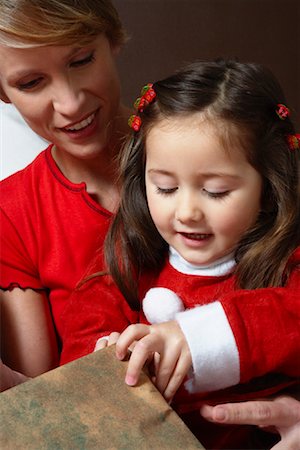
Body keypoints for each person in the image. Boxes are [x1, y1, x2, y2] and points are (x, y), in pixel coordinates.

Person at [0, 1, 298, 444]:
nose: (70, 102)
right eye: (30, 81)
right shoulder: (114, 242)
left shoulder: (275, 228)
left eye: (81, 60)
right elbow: (57, 389)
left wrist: (201, 339)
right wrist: (105, 360)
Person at [60, 60, 300, 449]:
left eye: (217, 191)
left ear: (268, 185)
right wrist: (104, 357)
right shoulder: (129, 254)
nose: (187, 212)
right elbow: (84, 326)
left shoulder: (286, 260)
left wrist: (196, 339)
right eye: (166, 188)